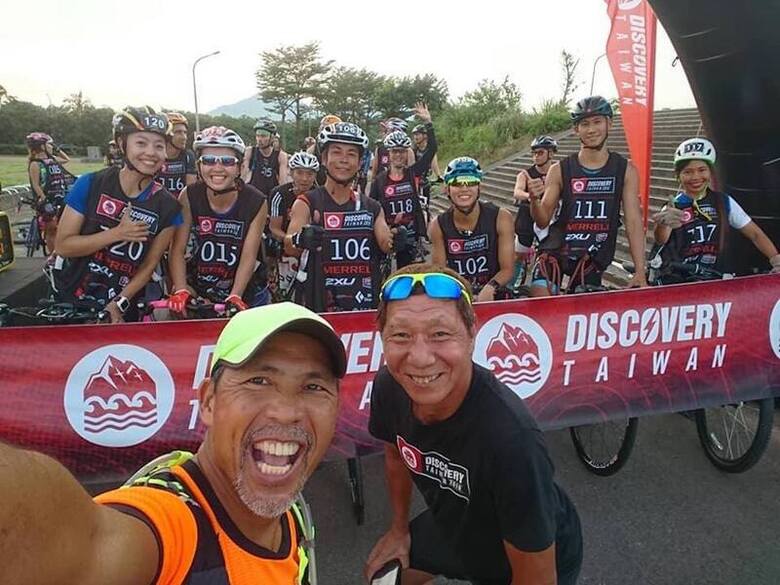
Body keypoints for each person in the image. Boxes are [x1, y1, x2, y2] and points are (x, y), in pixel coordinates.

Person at [0, 302, 346, 585]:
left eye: (313, 387)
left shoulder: (293, 513)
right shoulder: (170, 526)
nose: (285, 413)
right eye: (259, 381)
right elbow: (78, 541)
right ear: (208, 401)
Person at [365, 263, 583, 585]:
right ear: (382, 339)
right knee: (381, 579)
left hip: (525, 551)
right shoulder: (390, 386)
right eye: (400, 335)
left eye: (440, 334)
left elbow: (537, 578)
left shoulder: (512, 440)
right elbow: (396, 455)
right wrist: (399, 530)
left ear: (471, 334)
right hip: (456, 523)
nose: (420, 358)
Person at [51, 106, 183, 323]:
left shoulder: (169, 207)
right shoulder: (90, 183)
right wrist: (117, 233)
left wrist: (119, 304)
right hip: (72, 298)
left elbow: (149, 265)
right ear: (122, 144)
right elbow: (64, 246)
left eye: (159, 146)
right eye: (141, 143)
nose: (151, 152)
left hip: (124, 306)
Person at [529, 96, 647, 295]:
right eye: (584, 124)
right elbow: (542, 221)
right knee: (540, 296)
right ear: (576, 129)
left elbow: (633, 222)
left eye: (597, 122)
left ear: (609, 123)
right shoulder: (559, 169)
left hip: (593, 255)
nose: (591, 129)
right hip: (557, 248)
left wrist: (640, 271)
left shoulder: (625, 170)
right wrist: (534, 200)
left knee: (582, 304)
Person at [284, 121, 396, 312]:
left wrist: (397, 238)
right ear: (324, 159)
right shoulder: (306, 202)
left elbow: (386, 243)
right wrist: (300, 238)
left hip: (363, 304)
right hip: (319, 303)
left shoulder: (372, 207)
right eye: (336, 152)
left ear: (359, 163)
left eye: (351, 154)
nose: (344, 160)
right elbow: (289, 245)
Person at [168, 126, 268, 316]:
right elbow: (177, 249)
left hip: (245, 290)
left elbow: (249, 256)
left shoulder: (256, 201)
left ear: (240, 168)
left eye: (227, 161)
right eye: (208, 160)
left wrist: (236, 295)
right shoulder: (189, 195)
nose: (217, 168)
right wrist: (181, 289)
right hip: (199, 287)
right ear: (199, 165)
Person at [652, 137, 780, 278]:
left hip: (715, 279)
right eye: (688, 172)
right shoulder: (673, 206)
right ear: (678, 176)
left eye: (702, 170)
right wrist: (663, 224)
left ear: (711, 172)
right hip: (680, 280)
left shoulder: (724, 202)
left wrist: (776, 260)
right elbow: (661, 239)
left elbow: (755, 234)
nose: (695, 177)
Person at [429, 157, 515, 302]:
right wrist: (462, 294)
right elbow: (440, 274)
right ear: (447, 189)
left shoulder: (501, 217)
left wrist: (490, 287)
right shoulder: (438, 225)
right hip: (457, 295)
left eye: (471, 182)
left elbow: (507, 269)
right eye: (457, 183)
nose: (464, 189)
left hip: (493, 291)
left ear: (479, 187)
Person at [370, 103, 437, 268]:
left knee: (406, 272)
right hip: (387, 231)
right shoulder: (380, 180)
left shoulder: (412, 173)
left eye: (402, 151)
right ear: (389, 153)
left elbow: (431, 150)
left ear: (407, 153)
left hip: (410, 233)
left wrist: (428, 123)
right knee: (382, 271)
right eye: (395, 151)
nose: (398, 155)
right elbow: (372, 208)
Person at [268, 151, 320, 300]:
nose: (304, 178)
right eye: (300, 173)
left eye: (310, 174)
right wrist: (292, 241)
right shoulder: (279, 194)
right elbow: (274, 228)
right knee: (283, 295)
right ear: (291, 173)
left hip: (312, 250)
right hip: (286, 249)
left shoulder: (319, 195)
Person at [511, 135, 558, 289]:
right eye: (534, 153)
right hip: (527, 218)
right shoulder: (525, 174)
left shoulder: (557, 172)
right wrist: (531, 197)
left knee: (550, 254)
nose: (536, 156)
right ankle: (509, 286)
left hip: (548, 218)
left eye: (540, 153)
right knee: (518, 255)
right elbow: (517, 192)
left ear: (551, 153)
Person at [26, 132, 71, 254]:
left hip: (59, 197)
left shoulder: (52, 160)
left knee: (61, 227)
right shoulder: (35, 164)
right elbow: (36, 185)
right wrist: (44, 200)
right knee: (51, 229)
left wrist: (57, 149)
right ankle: (53, 255)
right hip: (47, 200)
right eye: (49, 145)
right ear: (42, 146)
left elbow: (67, 159)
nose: (52, 147)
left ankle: (61, 252)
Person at [155, 111, 197, 199]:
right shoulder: (154, 155)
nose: (184, 137)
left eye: (185, 132)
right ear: (167, 134)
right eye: (178, 132)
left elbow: (191, 193)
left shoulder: (188, 156)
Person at [242, 118, 289, 196]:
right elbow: (243, 175)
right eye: (257, 136)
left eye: (263, 136)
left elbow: (282, 182)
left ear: (272, 137)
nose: (259, 139)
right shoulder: (250, 151)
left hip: (271, 195)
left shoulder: (281, 156)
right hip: (253, 194)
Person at [411, 122, 443, 224]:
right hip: (414, 180)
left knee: (426, 205)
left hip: (425, 180)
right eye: (414, 135)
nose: (415, 137)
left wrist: (438, 175)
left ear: (424, 135)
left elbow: (434, 162)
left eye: (418, 134)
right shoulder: (413, 150)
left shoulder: (429, 150)